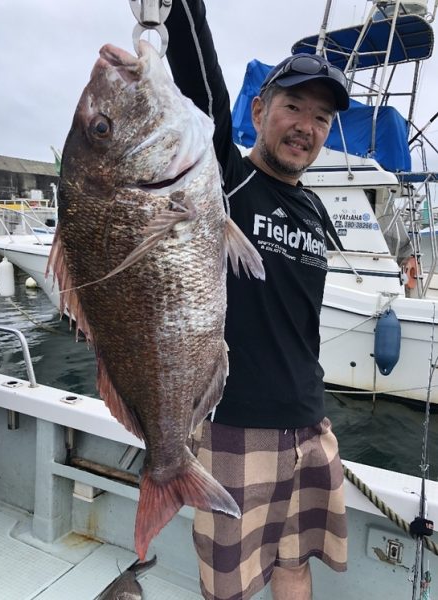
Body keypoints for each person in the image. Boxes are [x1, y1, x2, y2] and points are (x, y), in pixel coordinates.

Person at [166, 3, 350, 599]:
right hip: (233, 429)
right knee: (233, 587)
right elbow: (204, 89)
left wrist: (315, 417)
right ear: (258, 111)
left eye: (321, 117)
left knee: (296, 566)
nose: (306, 125)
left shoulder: (316, 209)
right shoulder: (224, 176)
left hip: (309, 423)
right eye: (293, 106)